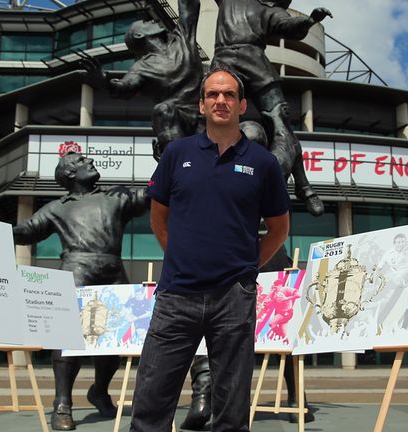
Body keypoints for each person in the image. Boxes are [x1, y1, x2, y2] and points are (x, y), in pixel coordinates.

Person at [130, 67, 290, 432]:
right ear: (201, 105)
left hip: (234, 298)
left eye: (230, 94)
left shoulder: (262, 163)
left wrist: (247, 269)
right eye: (214, 95)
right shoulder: (176, 153)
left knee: (231, 413)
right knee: (150, 404)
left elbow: (279, 229)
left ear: (242, 104)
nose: (222, 100)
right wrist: (181, 258)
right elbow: (159, 219)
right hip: (176, 296)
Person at [12, 152, 147, 431]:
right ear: (70, 173)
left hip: (113, 271)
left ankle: (99, 390)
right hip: (77, 269)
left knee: (112, 342)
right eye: (81, 160)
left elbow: (148, 197)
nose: (89, 161)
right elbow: (27, 231)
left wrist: (169, 160)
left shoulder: (114, 197)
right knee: (69, 338)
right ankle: (62, 404)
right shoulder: (57, 207)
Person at [211, 0, 333, 216]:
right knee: (209, 119)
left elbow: (288, 26)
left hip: (255, 60)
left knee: (281, 121)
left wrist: (310, 20)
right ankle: (302, 186)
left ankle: (302, 184)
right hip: (224, 62)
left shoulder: (268, 9)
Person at [80, 0, 203, 159]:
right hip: (176, 118)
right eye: (145, 22)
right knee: (163, 111)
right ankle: (176, 167)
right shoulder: (141, 67)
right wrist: (104, 81)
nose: (152, 20)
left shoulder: (182, 38)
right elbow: (124, 87)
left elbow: (190, 6)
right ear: (139, 35)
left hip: (207, 111)